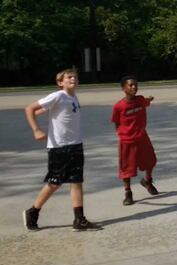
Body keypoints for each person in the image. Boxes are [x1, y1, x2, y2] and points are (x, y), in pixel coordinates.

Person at [22, 68, 101, 231]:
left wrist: (47, 110)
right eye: (69, 77)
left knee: (76, 181)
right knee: (54, 183)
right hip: (60, 147)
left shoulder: (72, 97)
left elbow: (45, 110)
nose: (73, 79)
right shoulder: (58, 95)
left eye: (75, 77)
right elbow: (30, 109)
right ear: (60, 82)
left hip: (76, 144)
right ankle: (33, 211)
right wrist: (36, 129)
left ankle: (79, 220)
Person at [111, 75, 159, 206]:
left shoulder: (141, 100)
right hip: (127, 141)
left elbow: (147, 101)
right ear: (123, 88)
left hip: (142, 138)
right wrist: (123, 135)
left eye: (136, 85)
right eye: (130, 85)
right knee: (127, 169)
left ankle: (147, 181)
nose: (134, 87)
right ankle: (128, 192)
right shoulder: (119, 106)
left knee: (150, 161)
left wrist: (149, 98)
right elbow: (116, 122)